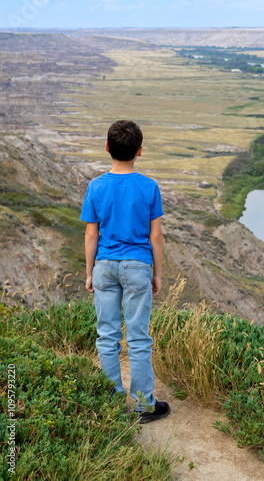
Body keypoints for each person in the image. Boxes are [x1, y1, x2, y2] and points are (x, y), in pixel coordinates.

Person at [80, 119, 170, 424]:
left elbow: (91, 235)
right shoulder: (149, 187)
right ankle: (145, 404)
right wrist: (157, 274)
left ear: (107, 148)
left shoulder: (96, 186)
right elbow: (155, 237)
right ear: (139, 151)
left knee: (106, 335)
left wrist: (90, 272)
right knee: (138, 337)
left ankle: (113, 402)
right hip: (137, 267)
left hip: (104, 266)